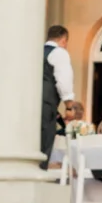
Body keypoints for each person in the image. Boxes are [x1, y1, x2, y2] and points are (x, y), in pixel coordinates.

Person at [41, 25, 74, 169]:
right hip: (46, 105)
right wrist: (69, 106)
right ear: (63, 40)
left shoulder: (36, 52)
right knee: (44, 145)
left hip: (28, 105)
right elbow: (64, 81)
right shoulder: (59, 52)